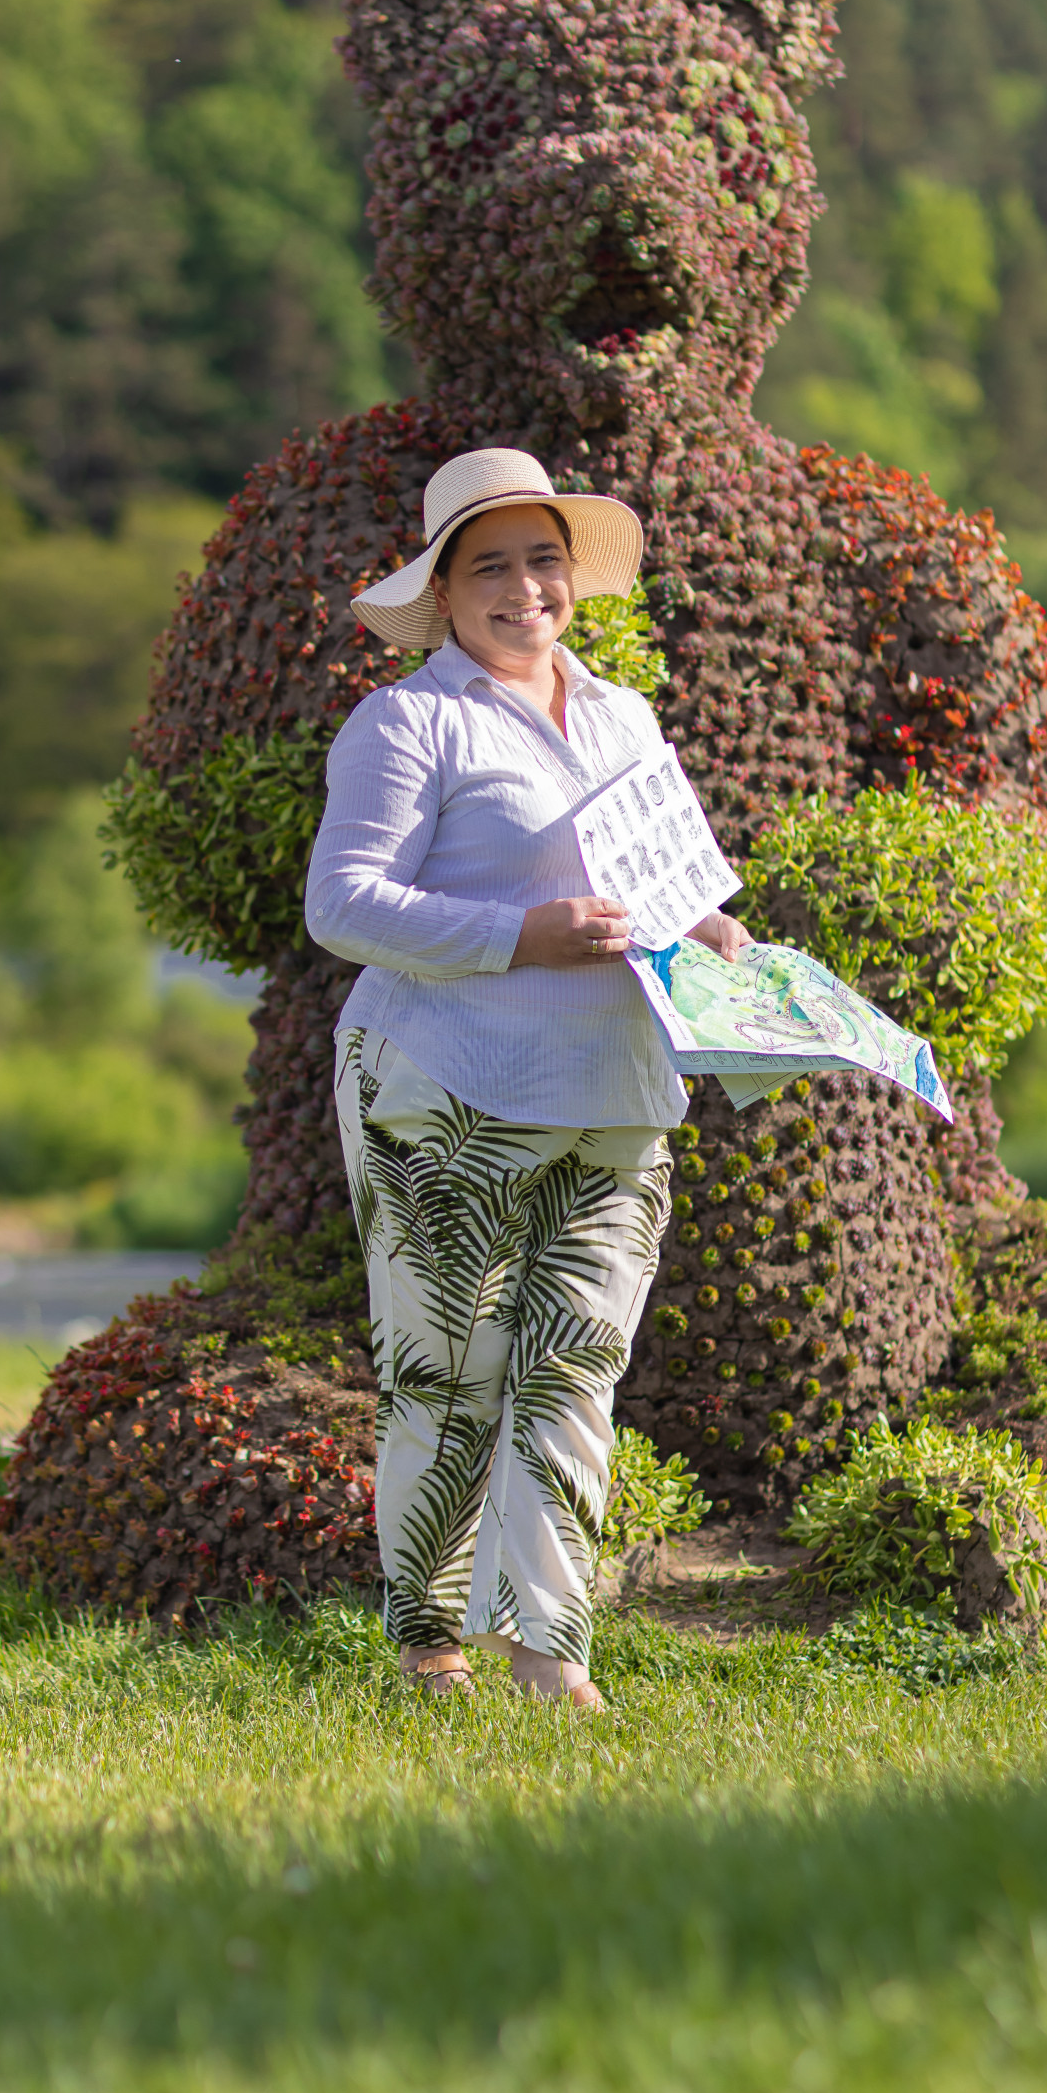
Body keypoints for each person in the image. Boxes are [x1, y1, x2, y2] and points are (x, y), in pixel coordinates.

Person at [305, 446, 749, 1709]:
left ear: (573, 576)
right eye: (487, 565)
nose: (522, 588)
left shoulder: (623, 716)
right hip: (444, 1095)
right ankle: (428, 1651)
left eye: (541, 559)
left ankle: (551, 1656)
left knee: (574, 1370)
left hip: (616, 1094)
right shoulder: (407, 721)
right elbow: (341, 903)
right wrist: (520, 934)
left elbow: (681, 889)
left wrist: (721, 941)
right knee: (444, 1377)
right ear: (441, 592)